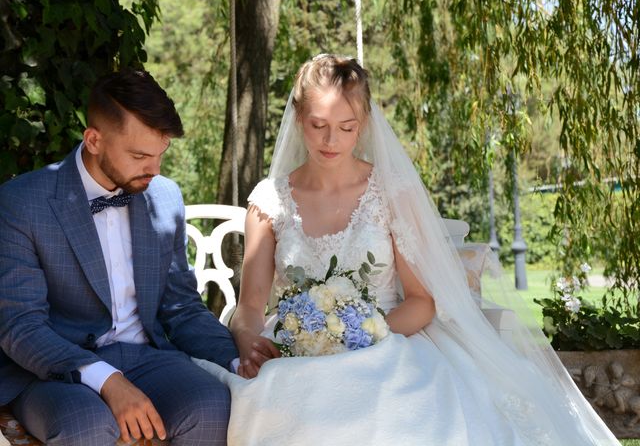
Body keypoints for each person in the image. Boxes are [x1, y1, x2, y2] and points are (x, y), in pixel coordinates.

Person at [194, 54, 620, 445]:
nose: (331, 140)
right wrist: (248, 339)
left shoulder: (389, 191)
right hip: (294, 350)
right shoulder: (269, 201)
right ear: (298, 118)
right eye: (317, 124)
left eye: (346, 127)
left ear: (363, 123)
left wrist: (359, 337)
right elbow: (250, 304)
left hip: (388, 342)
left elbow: (421, 302)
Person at [0, 68, 238, 445]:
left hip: (147, 357)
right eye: (141, 155)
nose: (155, 170)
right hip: (52, 370)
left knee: (213, 405)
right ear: (94, 140)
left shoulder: (164, 196)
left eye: (161, 154)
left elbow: (183, 308)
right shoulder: (22, 203)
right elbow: (21, 328)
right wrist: (107, 380)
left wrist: (237, 360)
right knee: (87, 426)